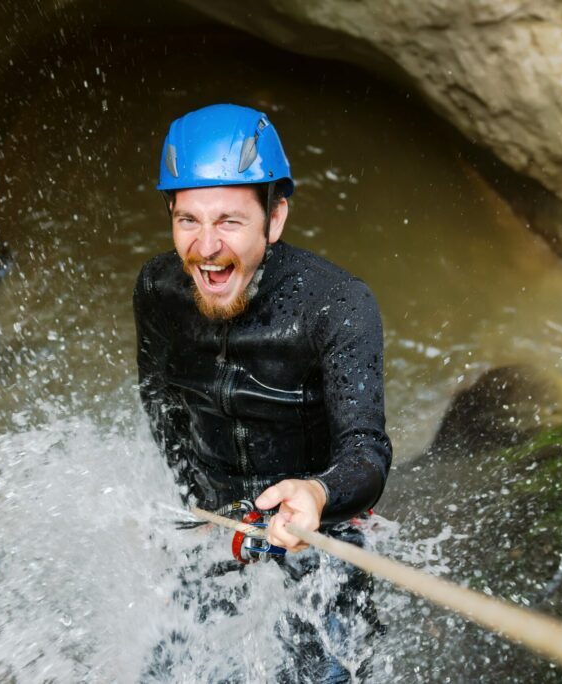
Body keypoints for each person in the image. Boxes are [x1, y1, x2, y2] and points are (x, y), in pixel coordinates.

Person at [133, 103, 393, 681]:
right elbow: (162, 408)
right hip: (219, 527)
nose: (205, 248)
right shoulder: (157, 290)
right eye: (187, 220)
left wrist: (320, 496)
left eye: (229, 221)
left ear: (275, 219)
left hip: (321, 531)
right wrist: (192, 507)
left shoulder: (337, 305)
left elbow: (368, 453)